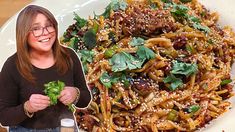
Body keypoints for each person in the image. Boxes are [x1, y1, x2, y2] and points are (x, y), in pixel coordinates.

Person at [0, 5, 92, 132]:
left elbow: (85, 100)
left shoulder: (69, 56)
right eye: (36, 28)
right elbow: (4, 117)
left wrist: (76, 94)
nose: (45, 32)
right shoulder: (12, 66)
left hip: (66, 128)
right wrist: (27, 107)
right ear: (24, 33)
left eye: (49, 25)